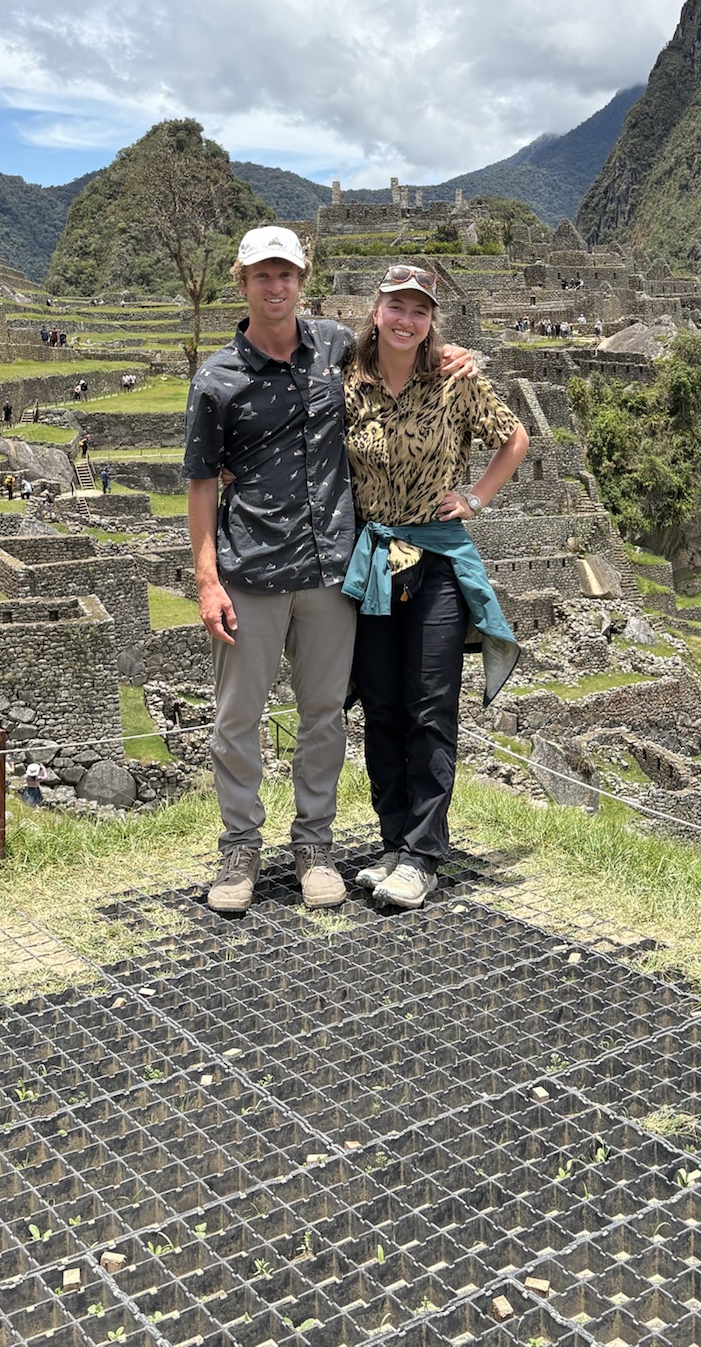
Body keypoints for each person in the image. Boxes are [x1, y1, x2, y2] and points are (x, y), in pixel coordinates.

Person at [184, 227, 473, 916]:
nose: (275, 286)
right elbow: (200, 483)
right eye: (262, 275)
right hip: (250, 568)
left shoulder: (336, 349)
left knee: (323, 717)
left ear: (303, 280)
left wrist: (454, 353)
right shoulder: (217, 378)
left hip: (330, 570)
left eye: (286, 274)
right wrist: (206, 580)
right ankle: (240, 850)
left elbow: (404, 349)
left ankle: (315, 846)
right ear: (242, 281)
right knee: (237, 718)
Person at [342, 265, 528, 910]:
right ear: (376, 311)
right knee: (381, 704)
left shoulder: (454, 383)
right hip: (373, 562)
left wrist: (476, 497)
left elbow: (514, 438)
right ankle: (393, 841)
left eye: (419, 311)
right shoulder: (349, 385)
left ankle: (424, 854)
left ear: (431, 322)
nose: (406, 320)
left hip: (436, 560)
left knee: (428, 705)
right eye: (396, 306)